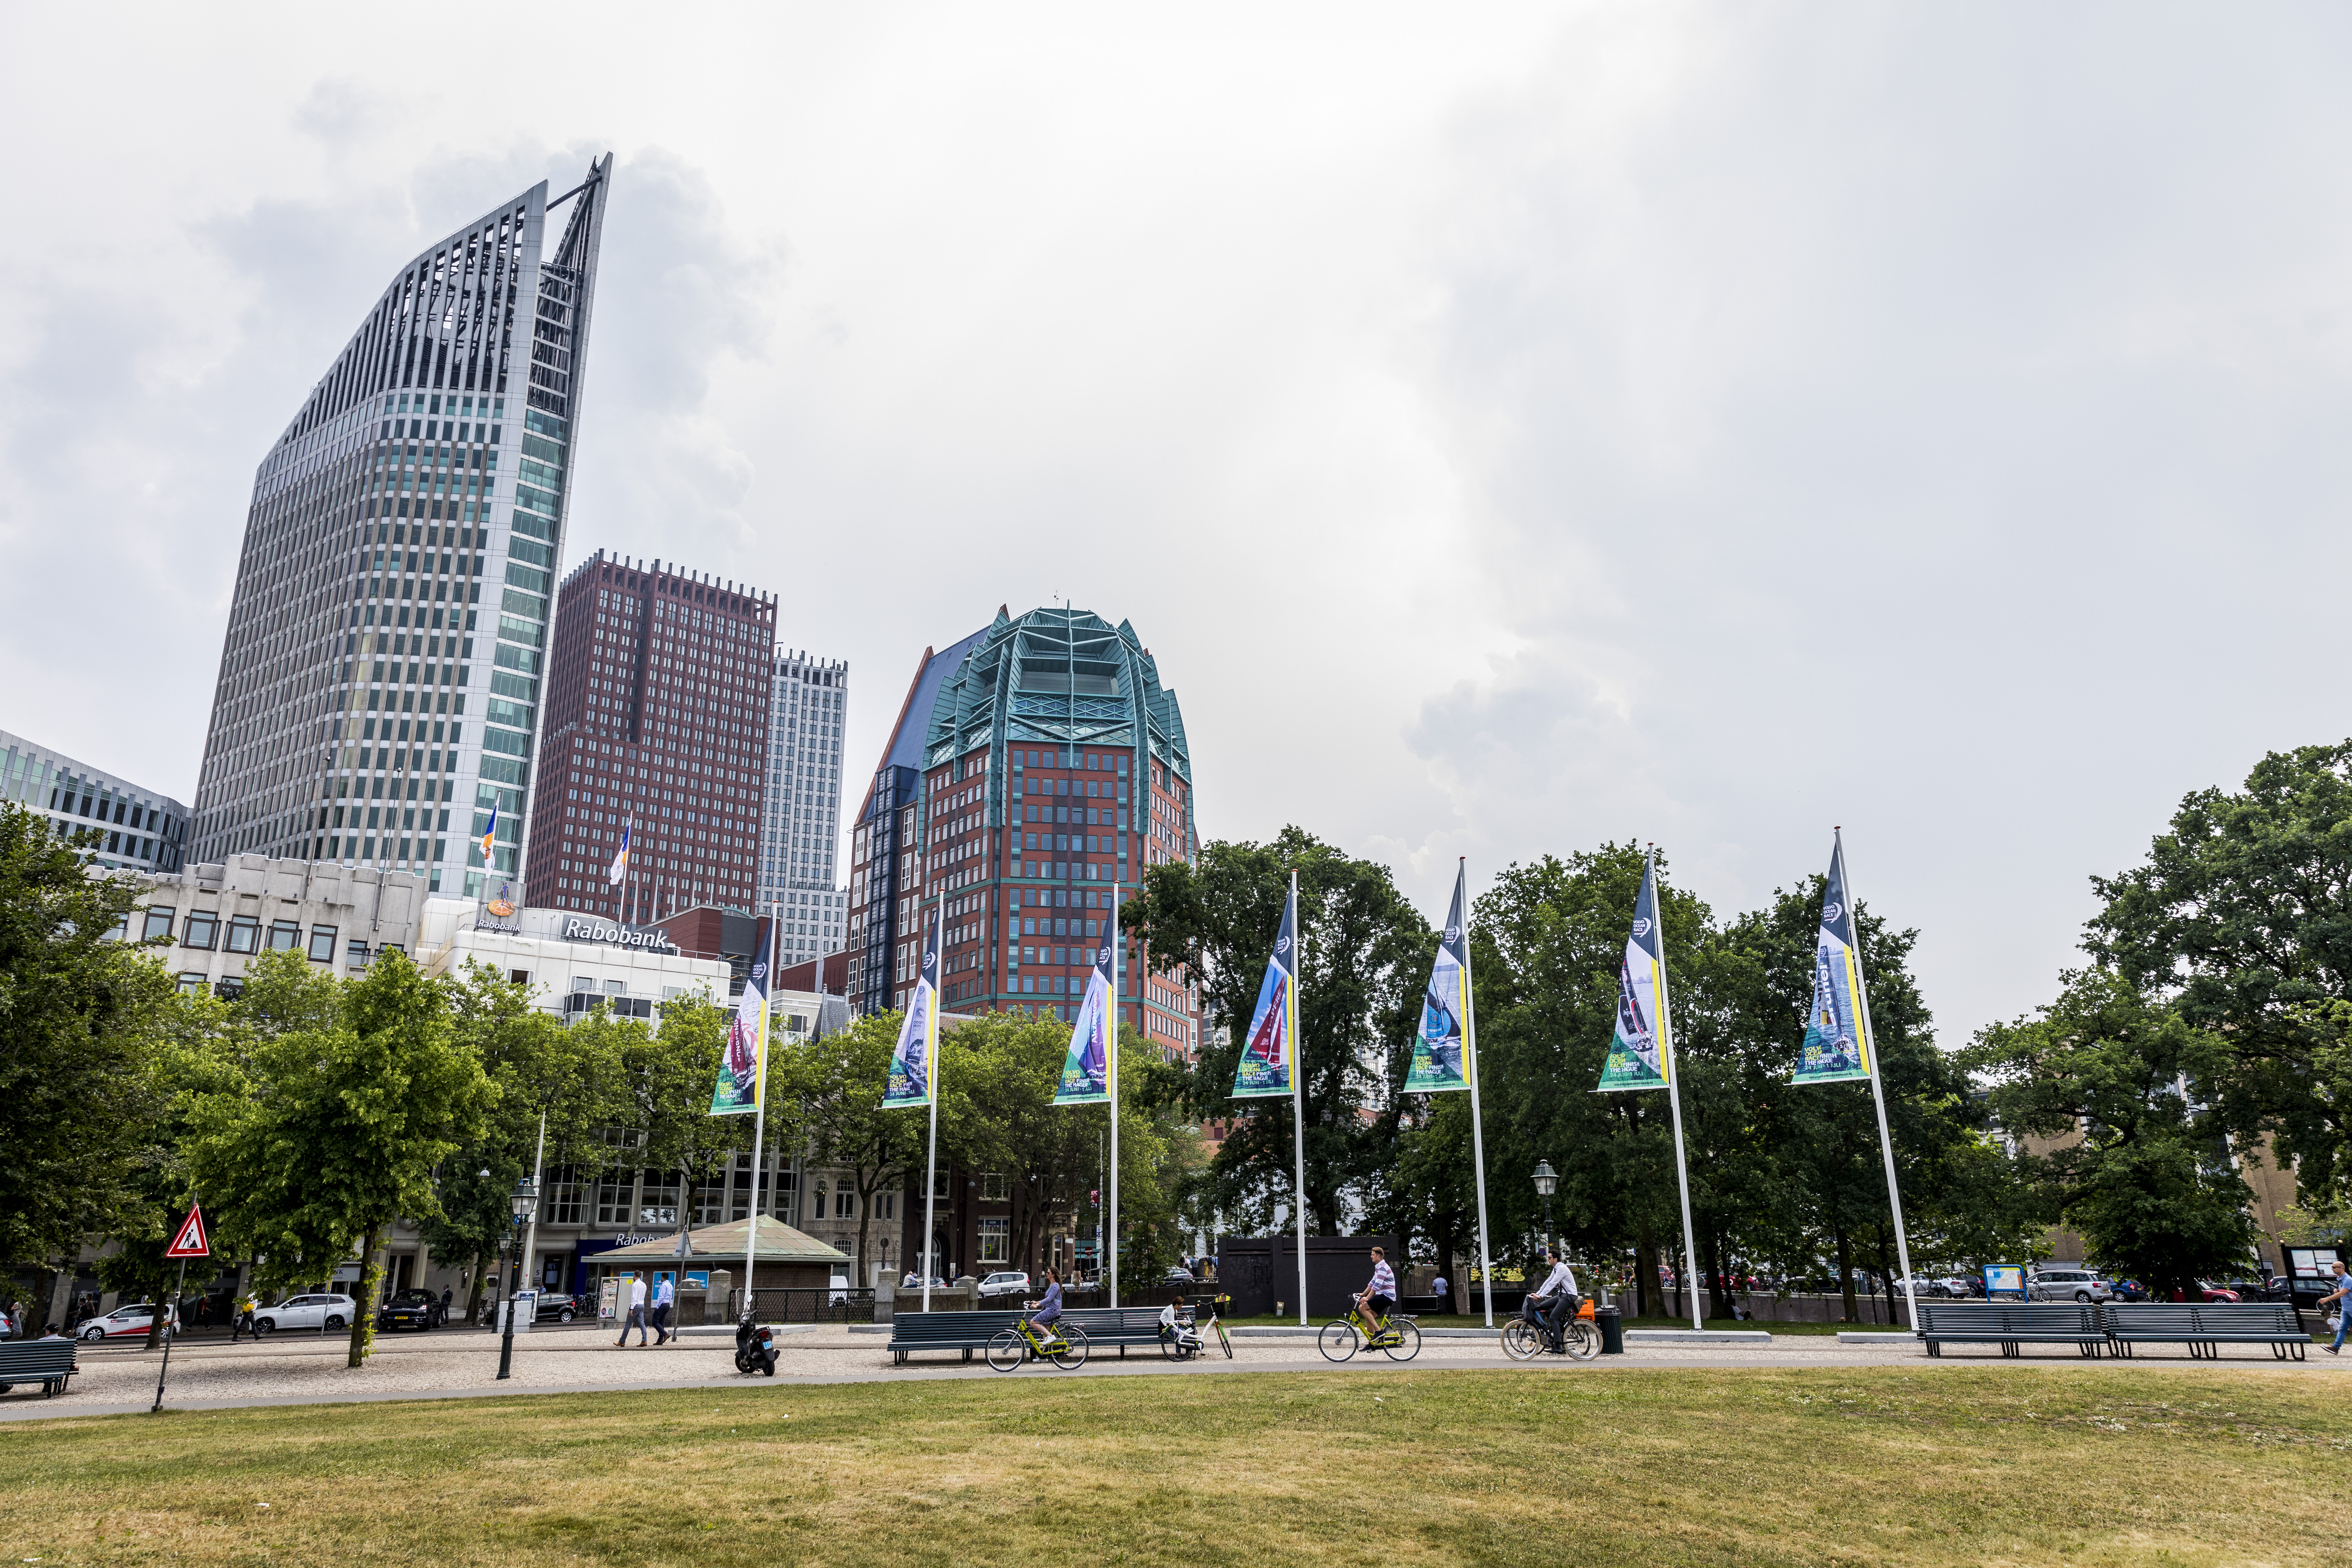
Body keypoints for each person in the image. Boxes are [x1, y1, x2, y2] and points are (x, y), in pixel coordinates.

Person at [1524, 1250, 1578, 1348]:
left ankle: (1558, 1346)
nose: (1548, 1259)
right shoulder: (1556, 1269)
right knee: (1542, 1306)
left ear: (1555, 1259)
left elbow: (1553, 1284)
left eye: (1550, 1258)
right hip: (1563, 1296)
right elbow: (1548, 1282)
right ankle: (1556, 1330)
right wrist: (1538, 1294)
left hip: (1569, 1296)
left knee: (1553, 1317)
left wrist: (1541, 1296)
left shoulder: (1561, 1268)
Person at [1357, 1247, 1398, 1344]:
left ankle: (1379, 1332)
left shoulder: (1383, 1268)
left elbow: (1377, 1286)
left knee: (1362, 1308)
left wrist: (1367, 1298)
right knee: (1369, 1316)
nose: (1371, 1256)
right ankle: (1372, 1343)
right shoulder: (1379, 1267)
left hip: (1386, 1296)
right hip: (1383, 1296)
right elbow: (1372, 1283)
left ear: (1378, 1256)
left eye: (1373, 1255)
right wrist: (1363, 1294)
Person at [1021, 1268, 1066, 1350]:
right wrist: (1036, 1302)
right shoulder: (1052, 1285)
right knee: (1045, 1335)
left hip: (1053, 1311)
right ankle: (1044, 1357)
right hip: (1050, 1310)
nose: (1047, 1274)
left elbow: (1049, 1299)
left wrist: (1037, 1305)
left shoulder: (1056, 1286)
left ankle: (1051, 1337)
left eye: (1049, 1273)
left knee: (1033, 1322)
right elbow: (1049, 1298)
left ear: (1053, 1275)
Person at [2320, 1259, 2352, 1356]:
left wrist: (2327, 1299)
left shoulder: (2348, 1280)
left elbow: (2343, 1293)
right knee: (2342, 1328)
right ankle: (2336, 1348)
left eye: (2334, 1267)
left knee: (2342, 1328)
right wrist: (2337, 1292)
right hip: (2346, 1309)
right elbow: (2343, 1293)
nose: (2332, 1269)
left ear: (2342, 1268)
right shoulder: (2341, 1280)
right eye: (2332, 1267)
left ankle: (2336, 1347)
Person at [616, 1274, 649, 1348]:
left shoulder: (635, 1285)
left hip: (636, 1306)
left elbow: (634, 1298)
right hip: (642, 1305)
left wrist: (631, 1309)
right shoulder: (644, 1285)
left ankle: (622, 1342)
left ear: (634, 1276)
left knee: (628, 1324)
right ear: (640, 1276)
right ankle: (645, 1341)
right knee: (642, 1324)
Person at [652, 1274, 676, 1346]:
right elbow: (671, 1296)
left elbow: (661, 1297)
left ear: (662, 1278)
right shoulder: (670, 1285)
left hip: (662, 1305)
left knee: (655, 1321)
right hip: (668, 1305)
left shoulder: (664, 1285)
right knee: (661, 1322)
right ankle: (660, 1340)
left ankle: (665, 1334)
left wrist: (657, 1306)